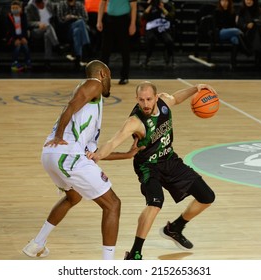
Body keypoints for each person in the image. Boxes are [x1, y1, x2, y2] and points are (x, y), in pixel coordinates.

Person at [87, 81, 216, 260]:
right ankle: (135, 253)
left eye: (149, 99)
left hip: (170, 160)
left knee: (207, 196)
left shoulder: (164, 103)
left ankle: (176, 228)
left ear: (156, 97)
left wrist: (196, 88)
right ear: (137, 99)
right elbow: (113, 142)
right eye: (141, 100)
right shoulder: (134, 122)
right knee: (155, 203)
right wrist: (97, 155)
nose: (145, 104)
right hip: (147, 166)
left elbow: (176, 98)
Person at [22, 60, 130, 260]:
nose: (111, 82)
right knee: (112, 204)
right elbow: (70, 107)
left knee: (73, 197)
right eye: (110, 76)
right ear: (103, 74)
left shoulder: (91, 107)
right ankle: (108, 266)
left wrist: (129, 154)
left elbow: (94, 153)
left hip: (52, 156)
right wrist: (59, 136)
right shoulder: (94, 84)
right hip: (66, 153)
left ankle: (37, 243)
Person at [97, 0, 137, 85]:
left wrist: (133, 23)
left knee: (125, 49)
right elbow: (102, 3)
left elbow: (134, 5)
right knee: (105, 49)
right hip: (109, 19)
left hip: (123, 19)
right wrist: (99, 20)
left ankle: (124, 76)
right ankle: (103, 76)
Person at [213, 0, 251, 69]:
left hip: (231, 32)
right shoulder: (217, 12)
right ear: (220, 2)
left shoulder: (232, 12)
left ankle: (233, 62)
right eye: (222, 1)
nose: (224, 3)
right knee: (237, 31)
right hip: (220, 32)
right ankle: (246, 49)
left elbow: (233, 25)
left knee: (235, 39)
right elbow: (216, 25)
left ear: (229, 2)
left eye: (226, 1)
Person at [25, 0, 64, 67]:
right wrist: (38, 24)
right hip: (36, 30)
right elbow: (28, 22)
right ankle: (57, 46)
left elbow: (55, 14)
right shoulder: (29, 7)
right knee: (48, 27)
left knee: (47, 34)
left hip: (50, 30)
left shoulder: (48, 4)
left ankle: (47, 61)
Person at [56, 0, 91, 68]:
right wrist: (67, 18)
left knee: (77, 31)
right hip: (67, 29)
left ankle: (78, 59)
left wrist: (74, 17)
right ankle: (86, 44)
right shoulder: (61, 4)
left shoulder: (80, 5)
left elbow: (86, 18)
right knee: (80, 22)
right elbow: (60, 20)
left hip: (79, 28)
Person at [141, 0, 175, 67]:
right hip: (151, 29)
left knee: (169, 40)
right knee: (151, 38)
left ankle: (169, 57)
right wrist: (151, 5)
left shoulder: (169, 4)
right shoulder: (151, 4)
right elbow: (144, 16)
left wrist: (162, 8)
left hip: (163, 29)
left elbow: (171, 17)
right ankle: (148, 57)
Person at [236, 0, 261, 66]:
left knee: (257, 30)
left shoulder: (259, 10)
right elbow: (239, 23)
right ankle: (259, 54)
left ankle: (257, 53)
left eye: (250, 0)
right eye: (247, 0)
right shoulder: (241, 10)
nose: (248, 1)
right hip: (245, 32)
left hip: (256, 31)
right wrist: (246, 25)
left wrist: (253, 23)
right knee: (258, 33)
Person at [6, 0, 32, 72]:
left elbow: (25, 28)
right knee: (17, 46)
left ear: (20, 8)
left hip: (22, 36)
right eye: (13, 8)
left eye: (16, 8)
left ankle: (28, 62)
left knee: (25, 46)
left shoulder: (24, 16)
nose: (14, 9)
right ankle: (14, 63)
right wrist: (16, 39)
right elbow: (10, 30)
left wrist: (23, 38)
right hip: (12, 38)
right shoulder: (9, 17)